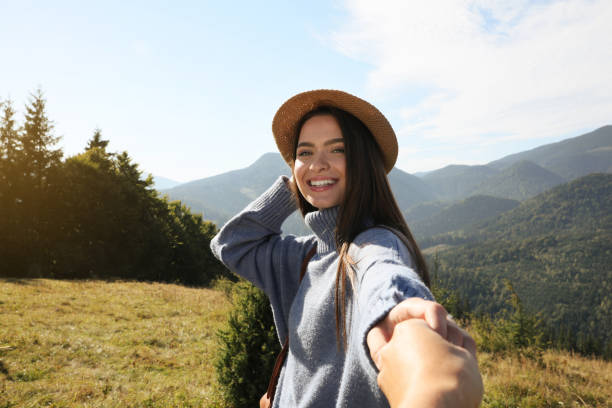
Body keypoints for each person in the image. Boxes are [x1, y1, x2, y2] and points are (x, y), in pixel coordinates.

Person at [210, 89, 481, 407]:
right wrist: (295, 185)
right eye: (305, 153)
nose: (318, 164)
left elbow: (385, 276)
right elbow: (232, 245)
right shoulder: (304, 255)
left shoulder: (374, 245)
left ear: (364, 163)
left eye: (337, 150)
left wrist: (398, 314)